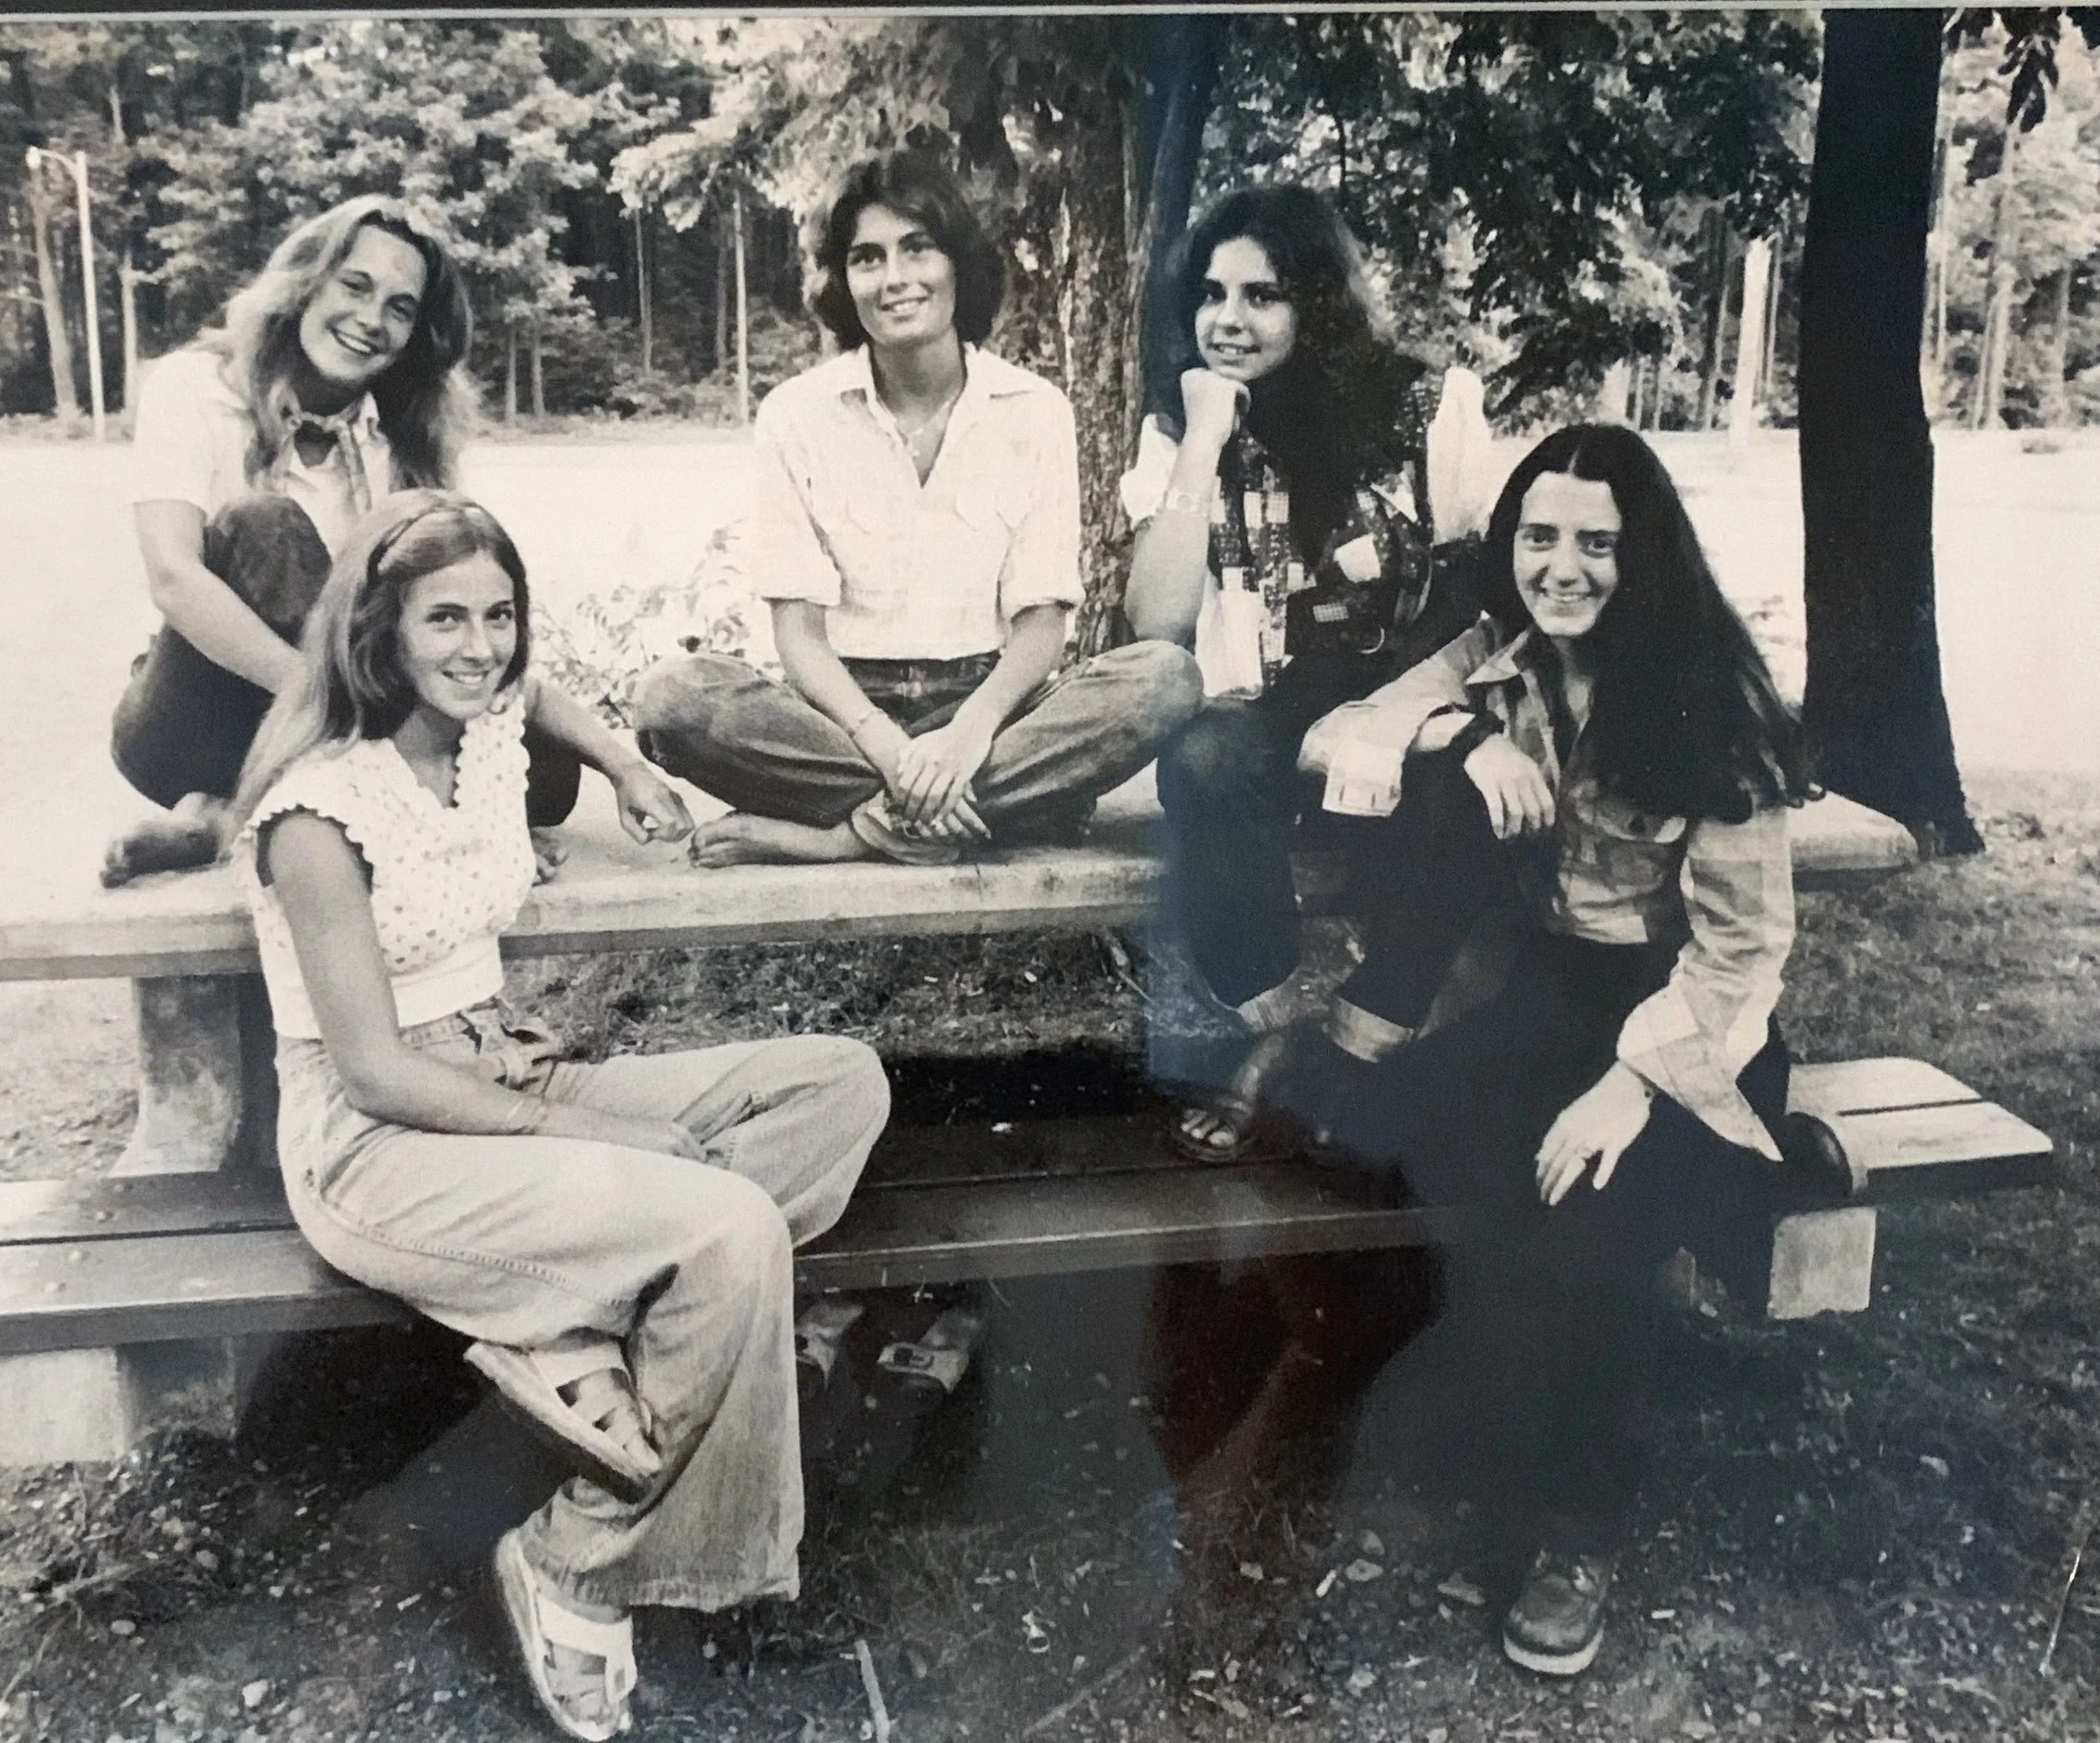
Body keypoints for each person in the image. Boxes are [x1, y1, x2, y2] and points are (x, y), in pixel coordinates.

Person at [229, 490, 890, 1740]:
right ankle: (584, 1558)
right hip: (384, 1140)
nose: (480, 645)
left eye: (499, 614)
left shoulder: (478, 732)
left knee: (837, 1083)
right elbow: (371, 1070)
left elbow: (536, 698)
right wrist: (601, 1141)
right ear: (376, 630)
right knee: (730, 1231)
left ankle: (574, 1317)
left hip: (506, 1066)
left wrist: (632, 764)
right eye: (444, 620)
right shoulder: (319, 811)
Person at [1302, 424, 1814, 1674]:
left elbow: (1744, 954)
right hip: (1553, 995)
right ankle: (1467, 1424)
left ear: (1645, 557)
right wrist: (1459, 737)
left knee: (1587, 1211)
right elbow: (1333, 734)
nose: (1563, 565)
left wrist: (1628, 1089)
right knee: (1367, 1138)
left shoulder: (1715, 706)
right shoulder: (1502, 661)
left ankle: (1580, 1526)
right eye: (1541, 535)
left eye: (1596, 541)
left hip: (1691, 1028)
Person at [633, 152, 1203, 867]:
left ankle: (848, 835)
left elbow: (1041, 622)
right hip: (842, 720)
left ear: (958, 264)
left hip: (990, 710)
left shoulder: (1034, 410)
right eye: (867, 258)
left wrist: (967, 735)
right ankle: (988, 808)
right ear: (844, 281)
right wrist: (891, 751)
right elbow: (799, 634)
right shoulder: (796, 414)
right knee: (671, 700)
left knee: (1164, 678)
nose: (895, 278)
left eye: (918, 248)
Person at [1118, 184, 1489, 1164]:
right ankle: (1274, 1031)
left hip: (1410, 700)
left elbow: (1481, 599)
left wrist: (1419, 722)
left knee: (1476, 802)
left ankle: (1358, 1048)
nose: (1226, 321)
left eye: (1260, 295)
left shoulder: (1427, 404)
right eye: (1209, 294)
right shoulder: (1180, 420)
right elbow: (1155, 623)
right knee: (1201, 760)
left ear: (1316, 303)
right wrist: (1202, 437)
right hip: (1266, 715)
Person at [105, 194, 579, 886]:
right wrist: (340, 710)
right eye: (354, 286)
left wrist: (607, 759)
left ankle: (226, 817)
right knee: (265, 524)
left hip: (346, 724)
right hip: (194, 720)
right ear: (305, 282)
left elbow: (439, 617)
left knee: (550, 779)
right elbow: (174, 580)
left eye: (399, 307)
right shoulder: (194, 387)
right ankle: (396, 810)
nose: (370, 320)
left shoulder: (403, 439)